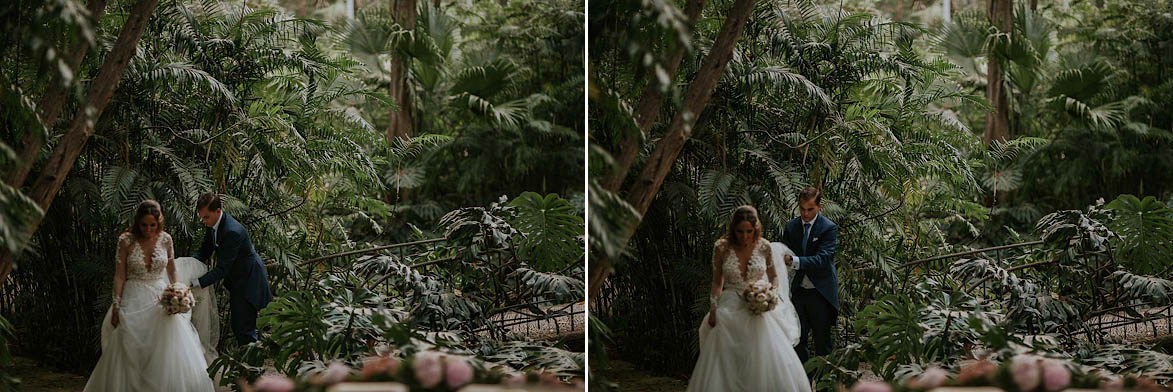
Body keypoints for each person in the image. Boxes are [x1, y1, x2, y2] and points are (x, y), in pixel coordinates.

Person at [84, 200, 215, 391]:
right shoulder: (126, 240)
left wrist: (177, 290)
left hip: (159, 297)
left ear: (159, 222)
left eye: (152, 225)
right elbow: (120, 275)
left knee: (164, 348)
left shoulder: (166, 239)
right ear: (137, 222)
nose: (148, 229)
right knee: (129, 345)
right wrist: (117, 303)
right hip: (132, 296)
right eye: (144, 225)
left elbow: (172, 271)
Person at [685, 205, 811, 392]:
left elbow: (774, 277)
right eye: (740, 231)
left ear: (756, 229)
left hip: (758, 307)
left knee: (764, 357)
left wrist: (769, 294)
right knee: (727, 356)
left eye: (749, 231)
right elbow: (717, 282)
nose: (744, 236)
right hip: (730, 304)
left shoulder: (764, 246)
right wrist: (713, 310)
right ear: (733, 229)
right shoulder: (721, 247)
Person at [189, 193, 273, 345]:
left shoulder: (232, 231)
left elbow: (222, 269)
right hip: (237, 280)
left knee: (245, 327)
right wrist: (188, 265)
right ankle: (246, 366)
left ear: (218, 211)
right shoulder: (212, 224)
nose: (203, 221)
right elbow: (204, 251)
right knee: (238, 325)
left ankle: (253, 367)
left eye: (206, 217)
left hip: (249, 280)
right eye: (201, 217)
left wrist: (196, 282)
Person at [782, 187, 840, 367]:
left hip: (820, 293)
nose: (805, 214)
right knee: (798, 342)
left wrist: (794, 260)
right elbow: (783, 252)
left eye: (810, 209)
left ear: (819, 207)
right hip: (798, 293)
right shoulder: (791, 227)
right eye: (802, 209)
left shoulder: (828, 228)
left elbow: (823, 259)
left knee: (822, 344)